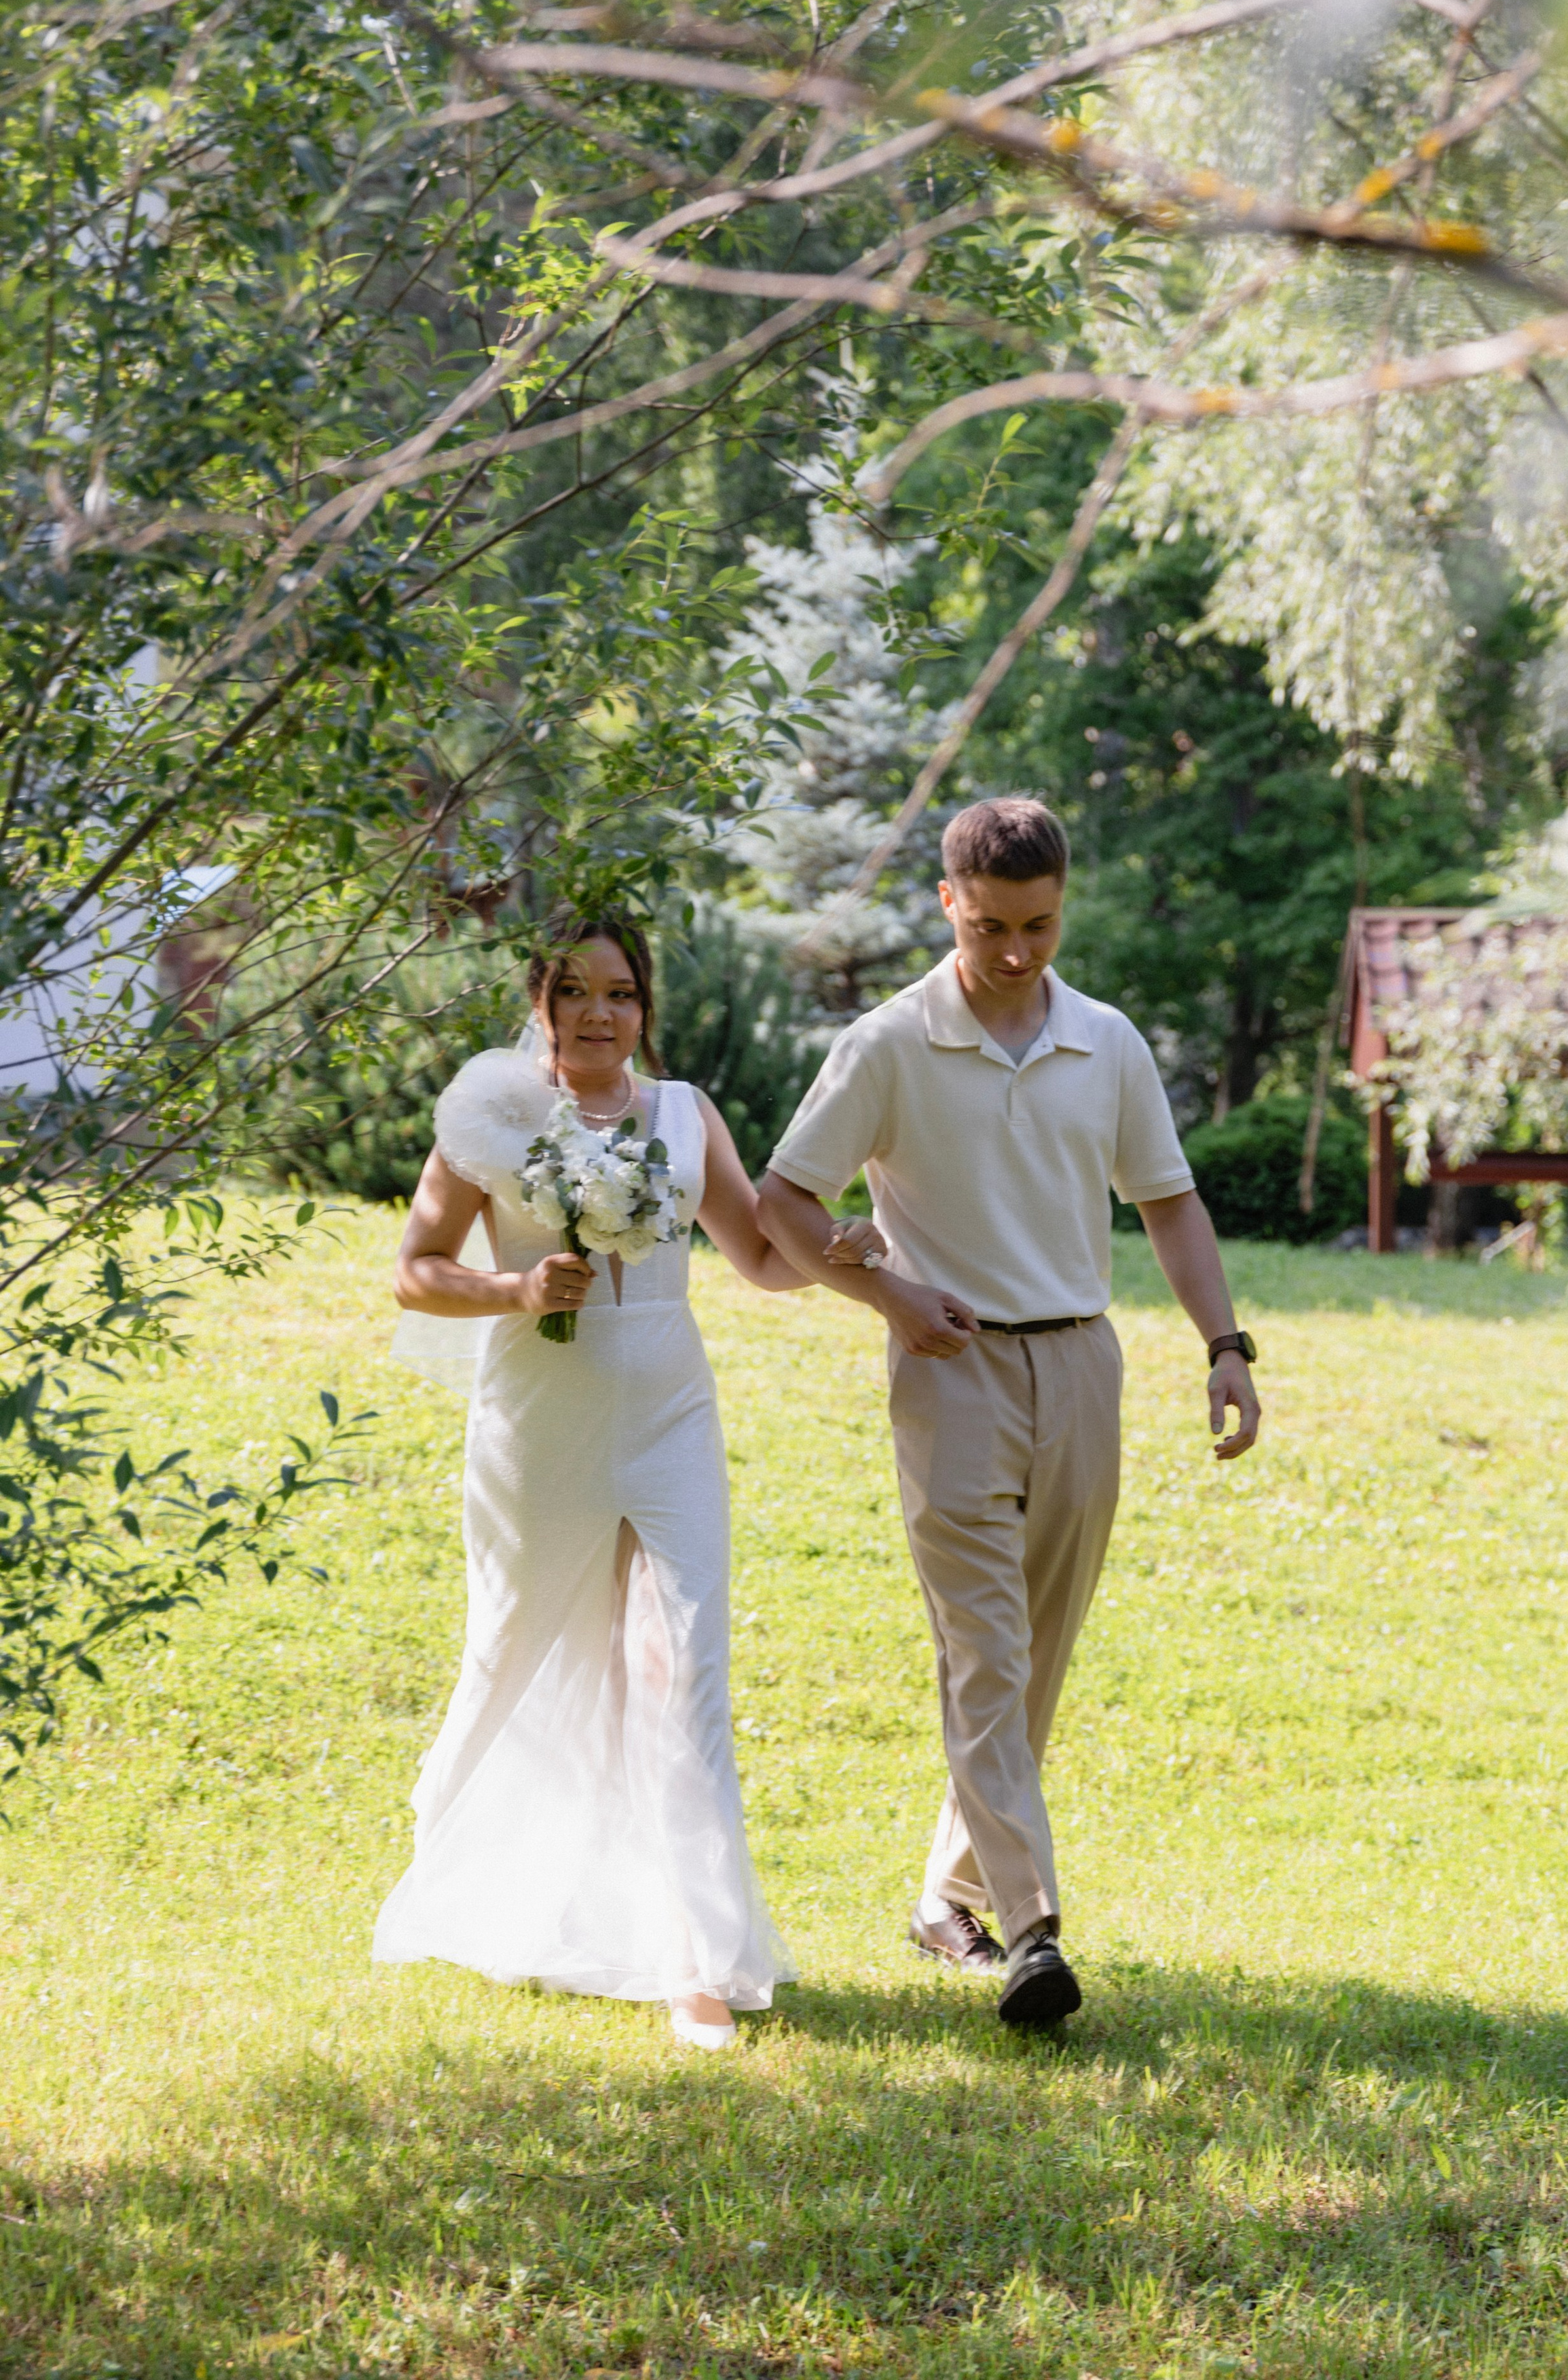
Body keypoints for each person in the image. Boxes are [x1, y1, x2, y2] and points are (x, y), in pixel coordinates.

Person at [758, 797, 1261, 2028]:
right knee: (985, 1655)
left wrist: (1226, 1346)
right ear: (947, 906)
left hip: (1084, 1366)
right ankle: (1033, 1933)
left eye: (1038, 925)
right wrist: (882, 1291)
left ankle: (948, 1899)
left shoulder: (1109, 1041)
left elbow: (1171, 1204)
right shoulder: (886, 1044)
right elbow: (782, 1199)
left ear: (1062, 907)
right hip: (953, 1369)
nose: (1016, 952)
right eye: (990, 927)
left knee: (1034, 1661)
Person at [374, 915, 883, 2050]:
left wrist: (841, 1249)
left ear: (645, 1008)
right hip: (538, 1419)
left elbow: (757, 1255)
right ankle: (465, 1864)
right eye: (575, 991)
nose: (600, 1013)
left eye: (621, 993)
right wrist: (512, 1293)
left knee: (685, 1663)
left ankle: (693, 1959)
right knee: (512, 1646)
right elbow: (413, 1272)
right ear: (541, 1002)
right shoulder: (495, 1116)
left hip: (667, 1414)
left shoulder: (686, 1115)